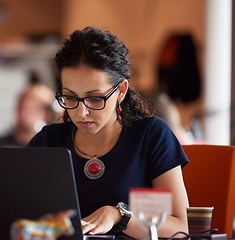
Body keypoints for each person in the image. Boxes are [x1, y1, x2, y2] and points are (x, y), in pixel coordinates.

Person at [27, 26, 189, 239]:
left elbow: (181, 228)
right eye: (70, 98)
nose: (81, 112)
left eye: (95, 98)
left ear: (121, 90)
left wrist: (119, 215)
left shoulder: (150, 135)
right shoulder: (48, 142)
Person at [0, 82, 55, 147]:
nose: (23, 113)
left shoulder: (52, 147)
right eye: (20, 107)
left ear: (46, 115)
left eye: (30, 110)